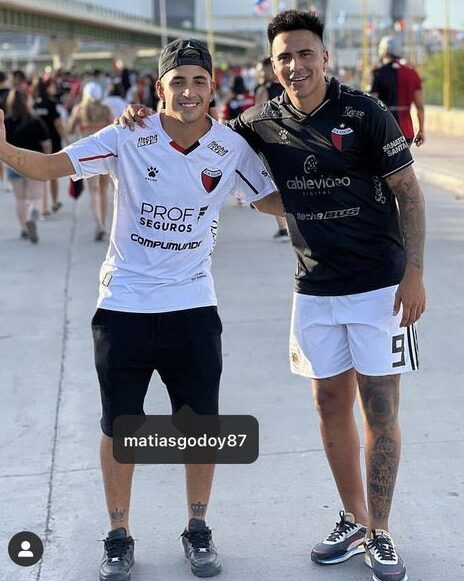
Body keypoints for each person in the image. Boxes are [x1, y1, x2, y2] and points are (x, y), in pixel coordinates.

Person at [119, 10, 426, 581]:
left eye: (306, 53)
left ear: (324, 57)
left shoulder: (366, 113)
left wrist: (415, 272)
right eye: (285, 56)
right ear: (273, 64)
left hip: (380, 286)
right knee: (329, 404)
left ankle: (382, 533)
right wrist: (143, 115)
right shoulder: (259, 122)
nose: (296, 65)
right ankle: (354, 518)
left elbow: (409, 192)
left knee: (380, 407)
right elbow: (197, 130)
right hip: (313, 287)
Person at [0, 38, 281, 581]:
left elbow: (267, 198)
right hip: (123, 306)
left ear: (213, 88)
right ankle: (118, 535)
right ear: (160, 88)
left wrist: (332, 193)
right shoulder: (128, 135)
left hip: (193, 305)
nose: (189, 91)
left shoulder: (230, 146)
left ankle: (197, 528)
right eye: (179, 81)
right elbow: (50, 166)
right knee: (119, 425)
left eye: (199, 81)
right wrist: (4, 150)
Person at [68, 81, 113, 241]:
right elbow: (114, 129)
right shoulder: (105, 110)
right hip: (106, 153)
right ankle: (104, 224)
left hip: (87, 154)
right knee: (104, 190)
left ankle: (99, 225)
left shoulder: (79, 110)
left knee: (93, 191)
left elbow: (70, 129)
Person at [4, 89, 51, 242]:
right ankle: (32, 217)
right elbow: (46, 143)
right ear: (27, 102)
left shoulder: (6, 123)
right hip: (34, 162)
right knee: (36, 197)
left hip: (13, 164)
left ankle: (24, 229)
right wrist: (48, 159)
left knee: (20, 199)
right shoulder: (35, 121)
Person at [254, 57, 288, 241]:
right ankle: (286, 225)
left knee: (277, 185)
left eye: (262, 70)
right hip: (287, 140)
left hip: (272, 142)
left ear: (271, 69)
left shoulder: (264, 90)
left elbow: (257, 116)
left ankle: (283, 227)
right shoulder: (289, 87)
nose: (260, 73)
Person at [371, 36, 425, 147]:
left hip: (385, 131)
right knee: (403, 159)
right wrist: (421, 130)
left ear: (384, 51)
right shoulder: (412, 73)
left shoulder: (378, 73)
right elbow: (420, 107)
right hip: (406, 131)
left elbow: (372, 104)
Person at [32, 78, 66, 214]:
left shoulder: (34, 103)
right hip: (53, 142)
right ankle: (54, 202)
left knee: (41, 175)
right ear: (47, 88)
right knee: (53, 174)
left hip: (37, 142)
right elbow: (58, 124)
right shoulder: (52, 103)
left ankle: (43, 206)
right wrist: (67, 139)